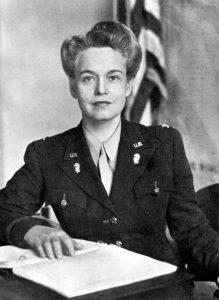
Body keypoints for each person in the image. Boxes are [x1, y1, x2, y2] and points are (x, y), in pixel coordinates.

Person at [0, 21, 219, 281]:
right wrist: (31, 229)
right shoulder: (48, 154)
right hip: (87, 288)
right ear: (73, 87)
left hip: (158, 289)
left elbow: (192, 230)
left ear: (128, 85)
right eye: (88, 78)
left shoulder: (164, 144)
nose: (101, 89)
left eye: (113, 77)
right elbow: (5, 210)